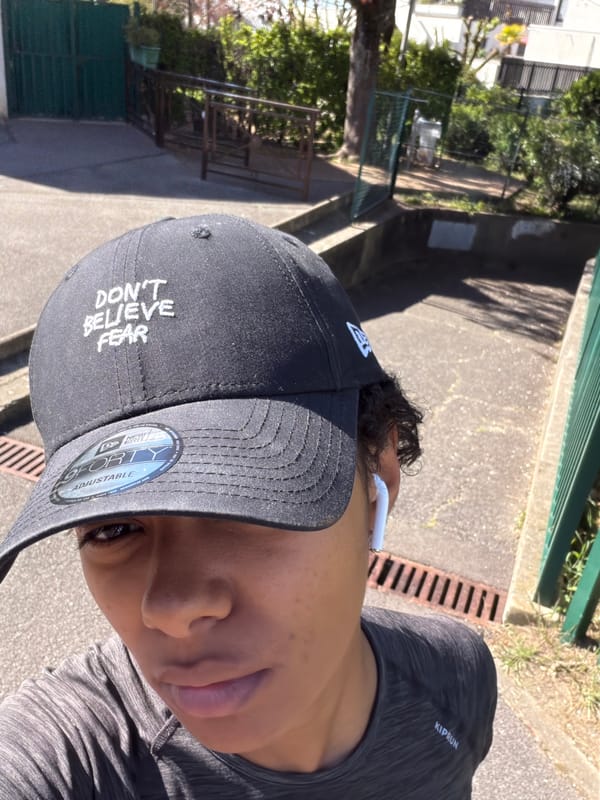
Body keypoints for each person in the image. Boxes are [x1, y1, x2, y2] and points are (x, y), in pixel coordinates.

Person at [0, 214, 496, 798]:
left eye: (244, 500)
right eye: (113, 528)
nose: (172, 607)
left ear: (378, 476)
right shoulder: (72, 761)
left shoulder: (456, 679)